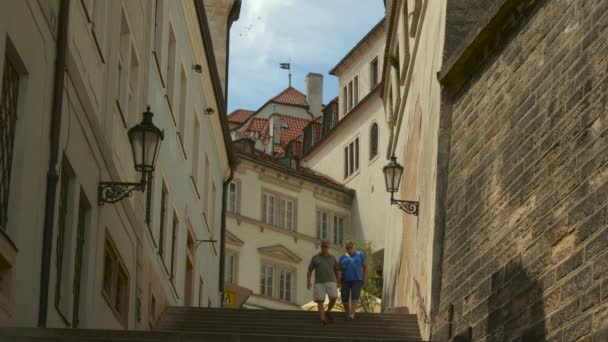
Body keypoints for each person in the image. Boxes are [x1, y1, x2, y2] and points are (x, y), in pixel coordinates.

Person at [307, 240, 340, 325]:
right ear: (321, 247)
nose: (324, 248)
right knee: (320, 300)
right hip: (319, 282)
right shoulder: (315, 257)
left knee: (334, 297)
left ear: (328, 248)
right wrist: (308, 281)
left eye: (326, 246)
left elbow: (336, 270)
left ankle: (328, 311)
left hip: (331, 281)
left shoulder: (332, 258)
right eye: (323, 246)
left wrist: (339, 281)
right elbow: (310, 270)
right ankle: (323, 319)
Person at [339, 240, 367, 320]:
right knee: (344, 298)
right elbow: (338, 270)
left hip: (357, 279)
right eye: (347, 248)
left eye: (350, 247)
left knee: (355, 296)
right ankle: (348, 313)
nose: (349, 249)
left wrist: (364, 279)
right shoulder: (342, 257)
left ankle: (352, 314)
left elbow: (365, 267)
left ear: (353, 247)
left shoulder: (360, 255)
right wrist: (339, 282)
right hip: (345, 280)